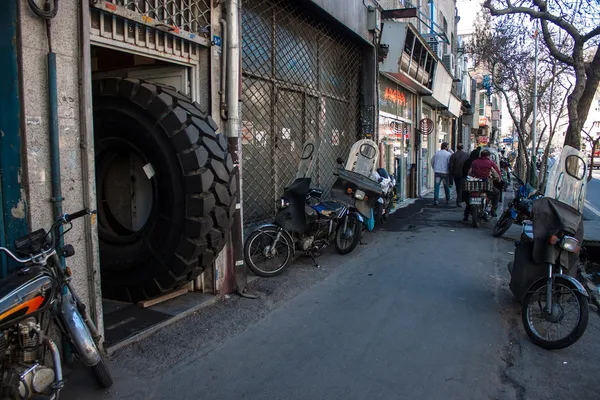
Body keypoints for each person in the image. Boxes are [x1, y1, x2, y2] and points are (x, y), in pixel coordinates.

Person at [465, 149, 502, 219]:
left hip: (474, 185)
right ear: (488, 156)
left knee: (469, 196)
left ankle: (466, 214)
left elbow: (469, 173)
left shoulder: (474, 162)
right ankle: (493, 210)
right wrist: (498, 179)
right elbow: (496, 173)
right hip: (486, 185)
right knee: (497, 193)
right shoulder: (490, 163)